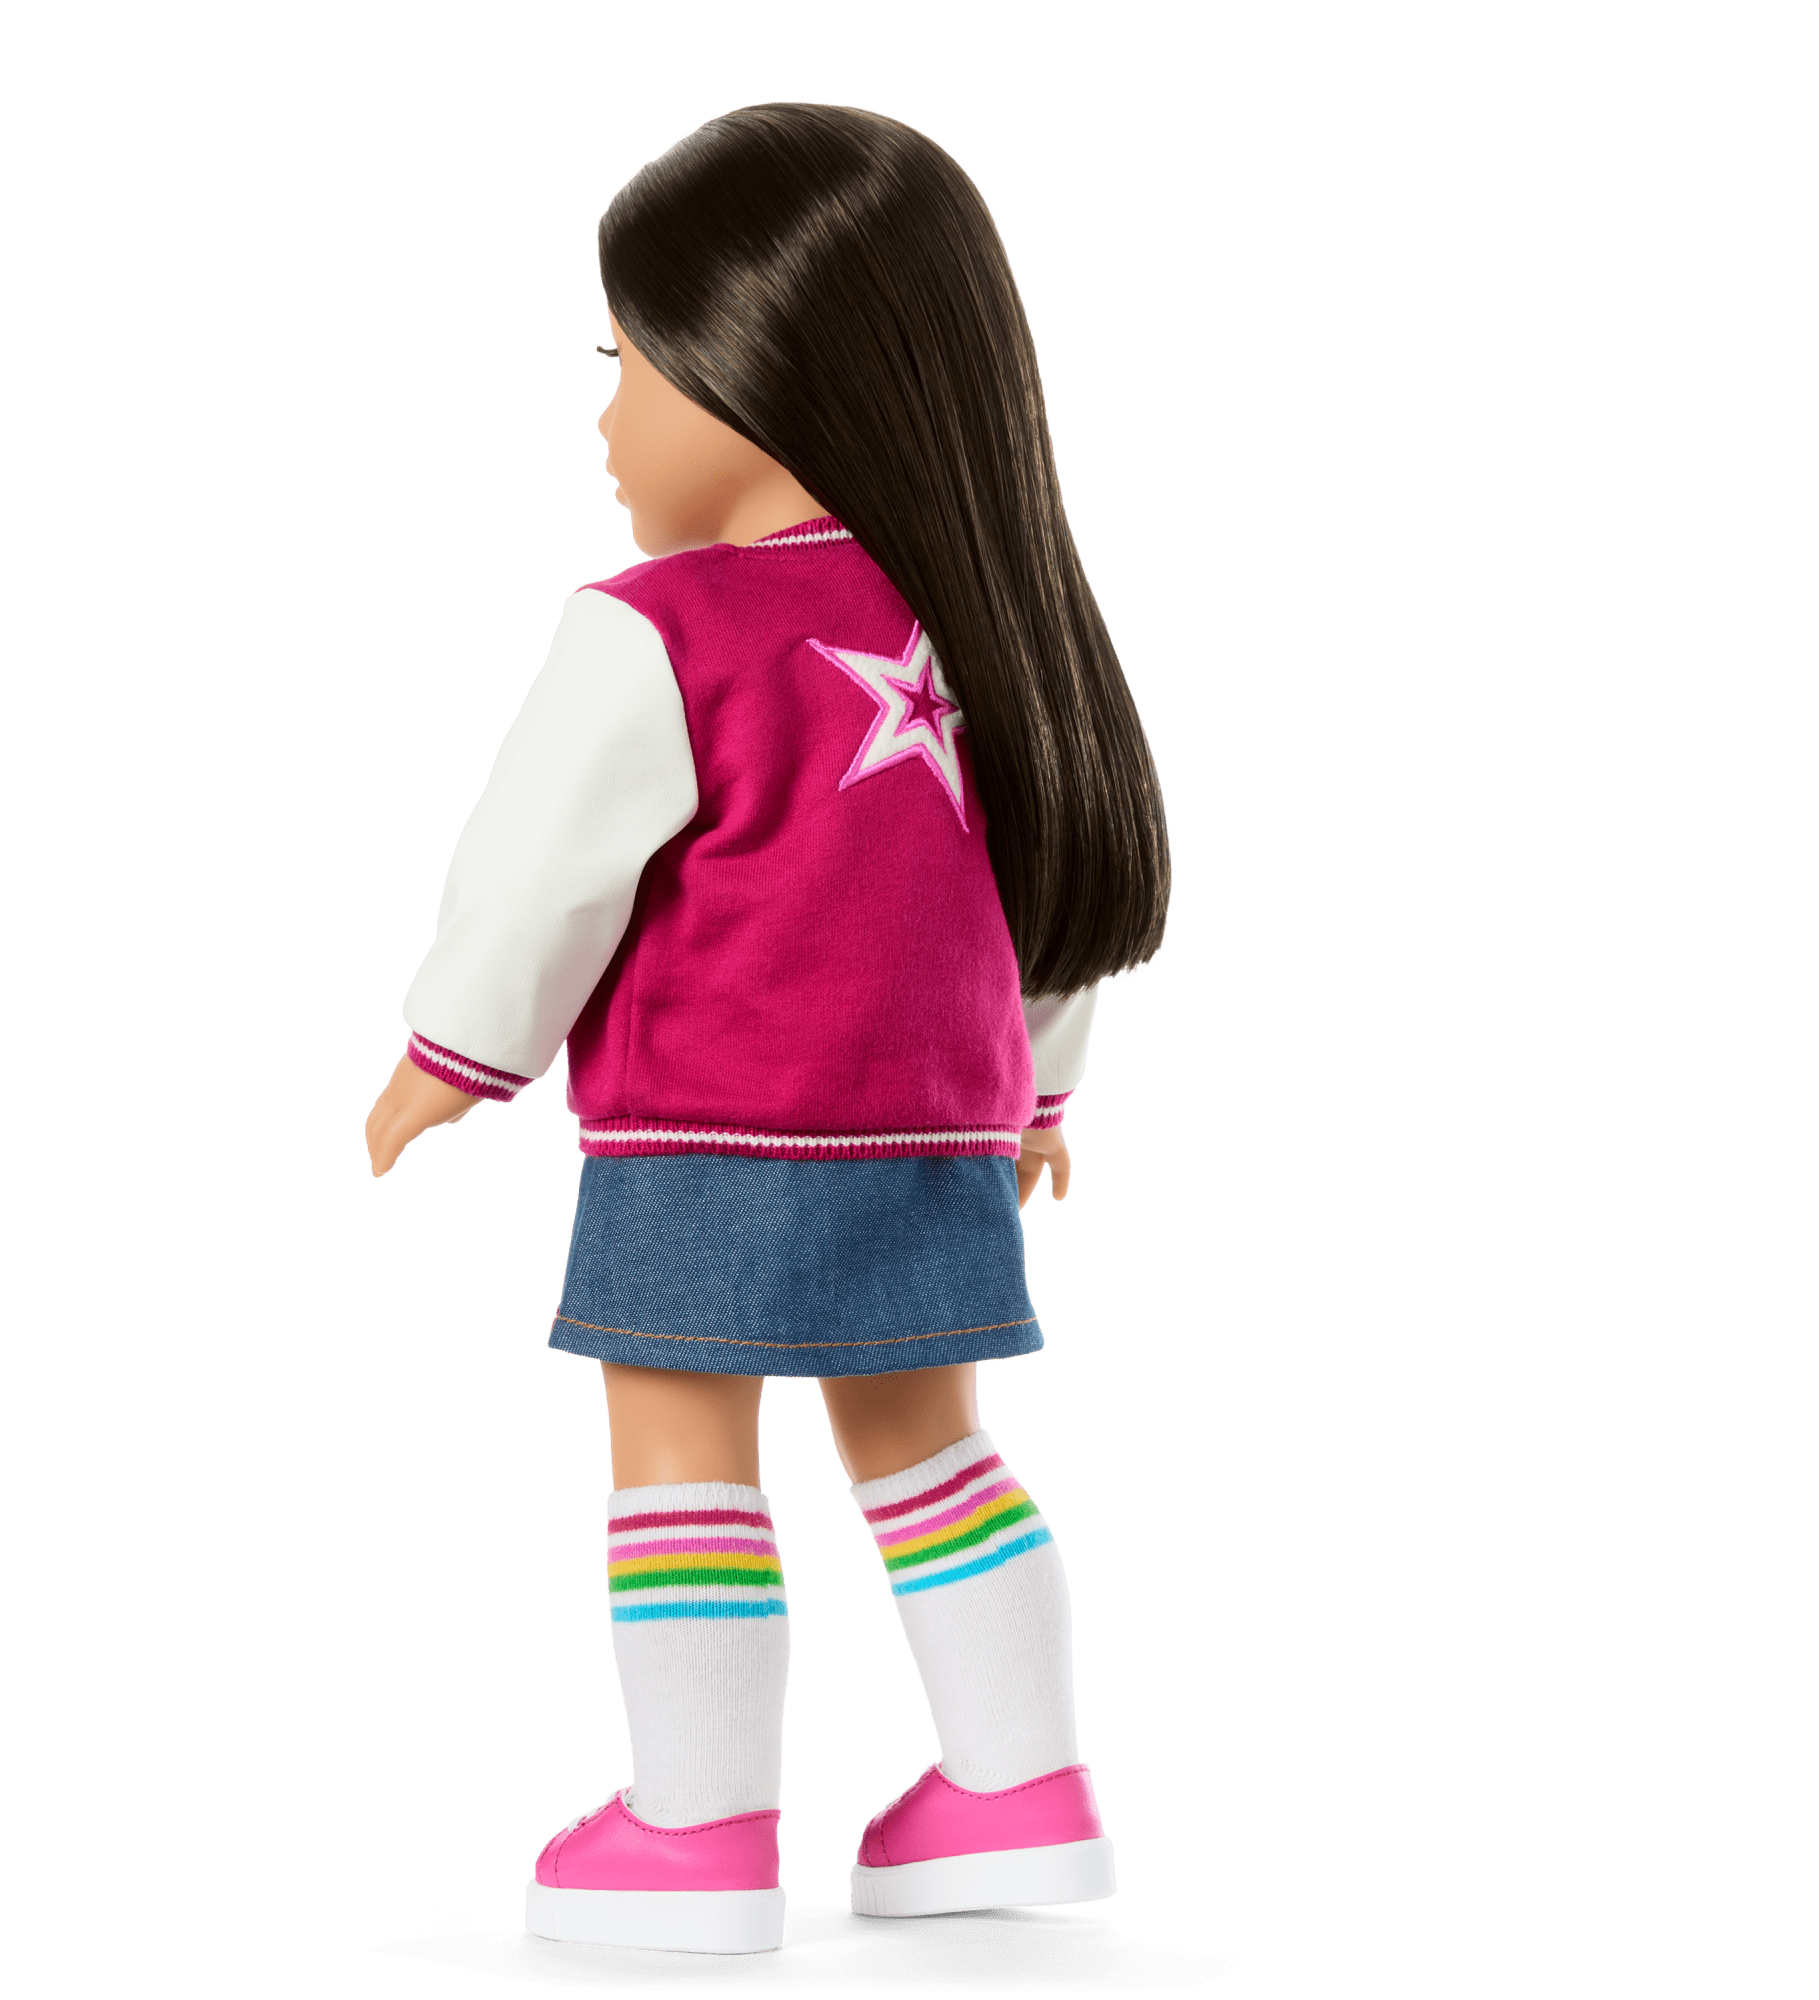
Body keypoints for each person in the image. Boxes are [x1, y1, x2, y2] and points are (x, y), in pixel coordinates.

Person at [364, 101, 1171, 1956]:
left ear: (759, 373)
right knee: (932, 1454)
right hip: (933, 1139)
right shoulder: (999, 635)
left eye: (630, 366)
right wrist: (1039, 1094)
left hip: (705, 1136)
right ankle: (1021, 1790)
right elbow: (1047, 897)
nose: (606, 420)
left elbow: (538, 878)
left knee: (681, 1450)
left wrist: (451, 1054)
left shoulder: (652, 633)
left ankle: (698, 1829)